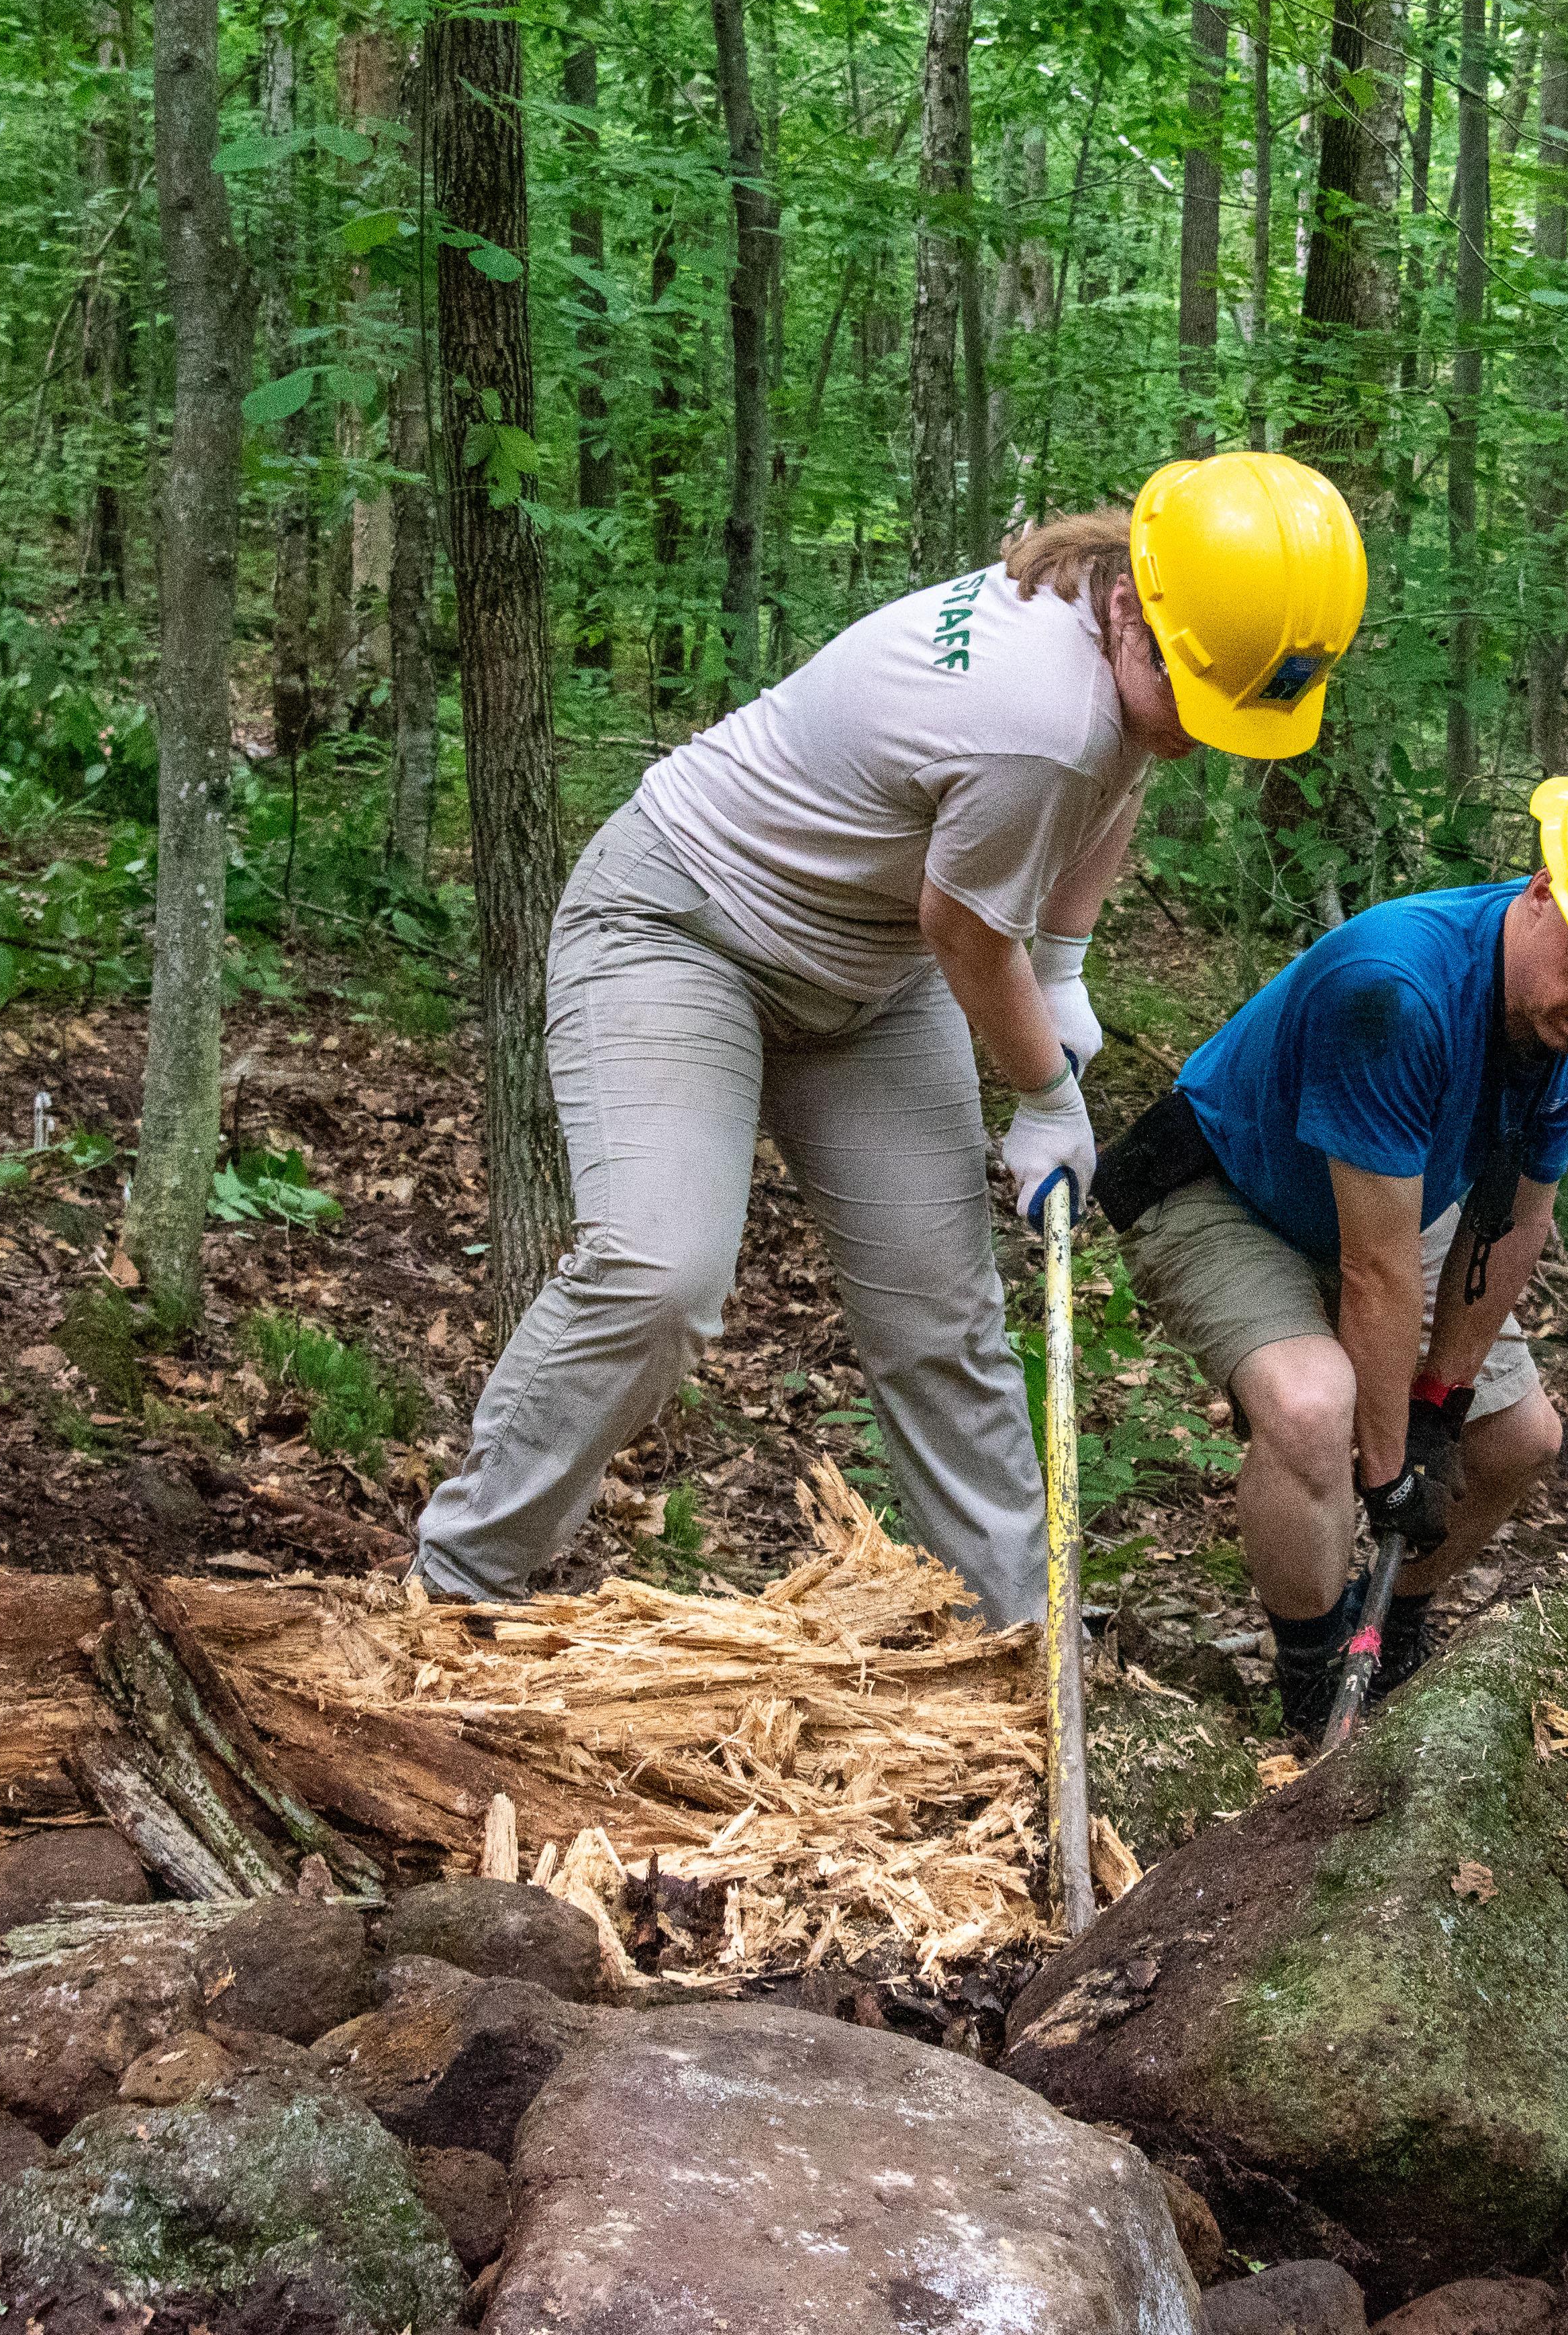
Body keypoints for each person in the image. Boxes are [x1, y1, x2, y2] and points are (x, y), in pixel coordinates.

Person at [412, 452, 1369, 1624]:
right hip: (684, 922)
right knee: (659, 1273)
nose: (1200, 732)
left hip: (866, 974)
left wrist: (1062, 965)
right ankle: (454, 1586)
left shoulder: (1125, 638)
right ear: (1133, 605)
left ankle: (1022, 1640)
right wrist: (1046, 1095)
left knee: (942, 1319)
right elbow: (967, 930)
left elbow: (1118, 789)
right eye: (1192, 694)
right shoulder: (1041, 712)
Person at [1102, 761, 1568, 1738]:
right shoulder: (1396, 991)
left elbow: (1522, 1213)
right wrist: (1388, 1464)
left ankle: (1393, 1620)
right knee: (1313, 1406)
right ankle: (1314, 1676)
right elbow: (1375, 1271)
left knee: (1518, 1439)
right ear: (1546, 892)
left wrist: (1440, 1401)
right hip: (1226, 1189)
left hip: (1392, 1201)